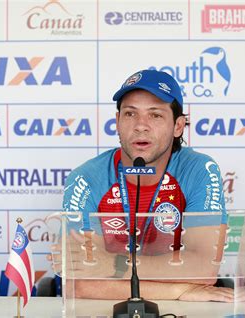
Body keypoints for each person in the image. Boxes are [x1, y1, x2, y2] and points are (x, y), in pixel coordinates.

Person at [57, 69, 232, 302]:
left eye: (155, 115)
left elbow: (203, 269)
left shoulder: (199, 169)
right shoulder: (86, 178)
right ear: (117, 122)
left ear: (178, 126)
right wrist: (179, 290)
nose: (141, 126)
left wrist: (113, 265)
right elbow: (79, 285)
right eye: (130, 114)